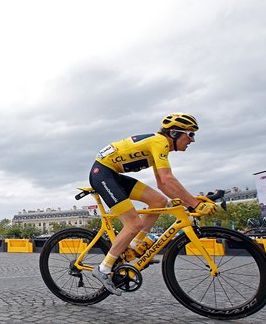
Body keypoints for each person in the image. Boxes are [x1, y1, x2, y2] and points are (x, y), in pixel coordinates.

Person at [88, 113, 218, 295]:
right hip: (102, 174)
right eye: (190, 135)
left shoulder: (159, 146)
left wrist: (189, 202)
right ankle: (103, 269)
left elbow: (162, 183)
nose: (192, 141)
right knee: (134, 224)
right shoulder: (160, 142)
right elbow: (167, 178)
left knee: (158, 201)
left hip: (112, 175)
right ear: (174, 133)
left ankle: (133, 247)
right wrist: (194, 204)